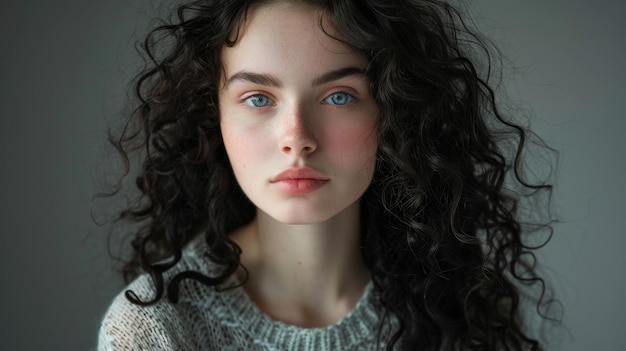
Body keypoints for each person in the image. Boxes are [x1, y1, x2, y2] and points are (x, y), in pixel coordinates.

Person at [97, 0, 557, 350]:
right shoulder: (154, 328)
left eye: (339, 96)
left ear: (394, 112)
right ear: (212, 113)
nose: (297, 138)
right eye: (258, 98)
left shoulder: (456, 302)